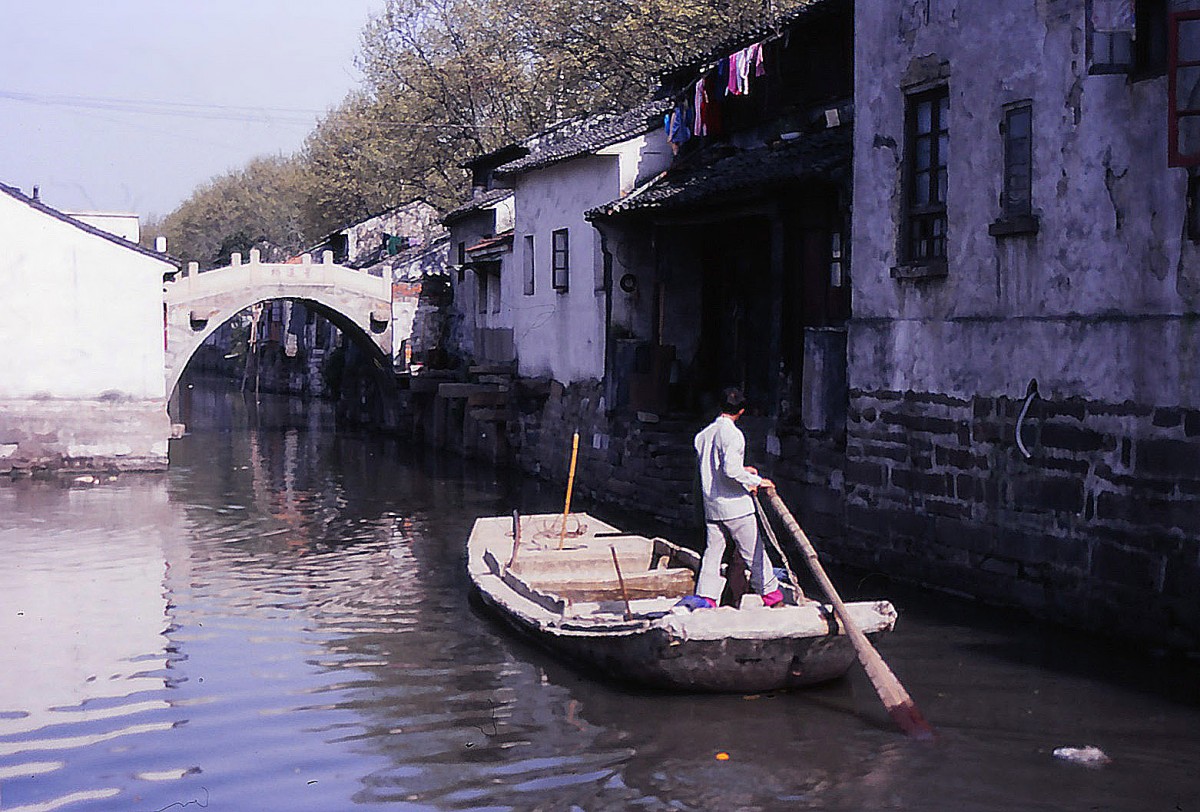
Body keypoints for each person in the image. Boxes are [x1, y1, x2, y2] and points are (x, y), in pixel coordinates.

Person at [690, 387, 783, 608]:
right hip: (735, 507)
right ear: (741, 411)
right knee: (754, 551)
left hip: (713, 505)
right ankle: (772, 595)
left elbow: (718, 467)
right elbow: (730, 470)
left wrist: (744, 471)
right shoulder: (733, 435)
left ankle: (707, 597)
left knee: (713, 553)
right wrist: (757, 481)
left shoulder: (704, 435)